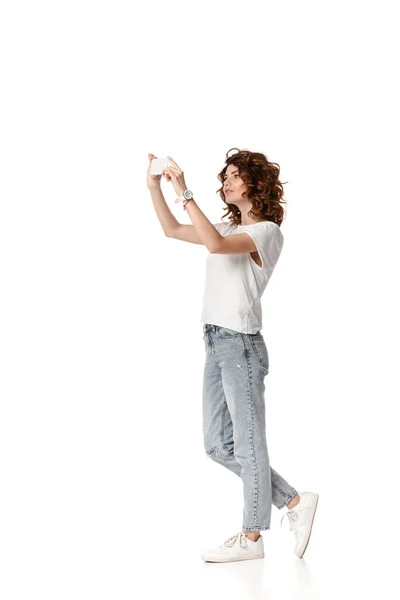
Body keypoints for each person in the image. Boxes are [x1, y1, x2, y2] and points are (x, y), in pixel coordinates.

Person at [146, 147, 319, 563]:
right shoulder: (223, 225)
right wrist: (155, 187)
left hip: (241, 344)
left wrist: (185, 191)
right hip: (215, 342)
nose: (226, 181)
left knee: (248, 444)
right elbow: (172, 229)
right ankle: (295, 502)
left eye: (235, 174)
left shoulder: (265, 231)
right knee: (217, 445)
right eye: (223, 175)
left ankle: (252, 537)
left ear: (255, 183)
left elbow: (216, 245)